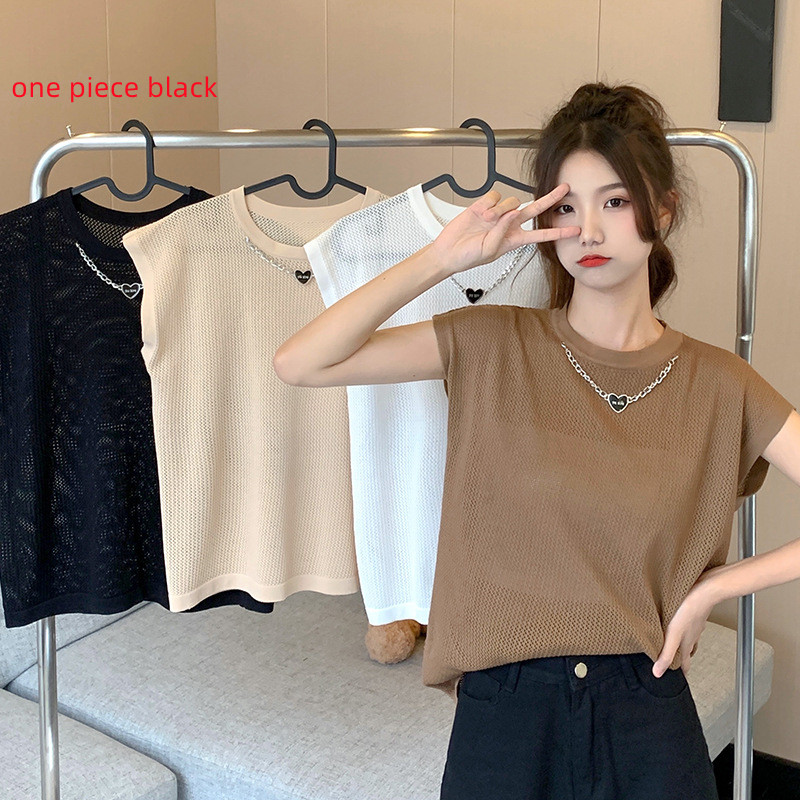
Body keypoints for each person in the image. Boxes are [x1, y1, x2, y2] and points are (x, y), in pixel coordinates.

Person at [273, 83, 798, 799]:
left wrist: (718, 587)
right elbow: (300, 362)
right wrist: (441, 261)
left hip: (645, 708)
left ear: (664, 210)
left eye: (615, 201)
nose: (589, 230)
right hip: (505, 712)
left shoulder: (719, 383)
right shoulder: (493, 344)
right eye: (567, 206)